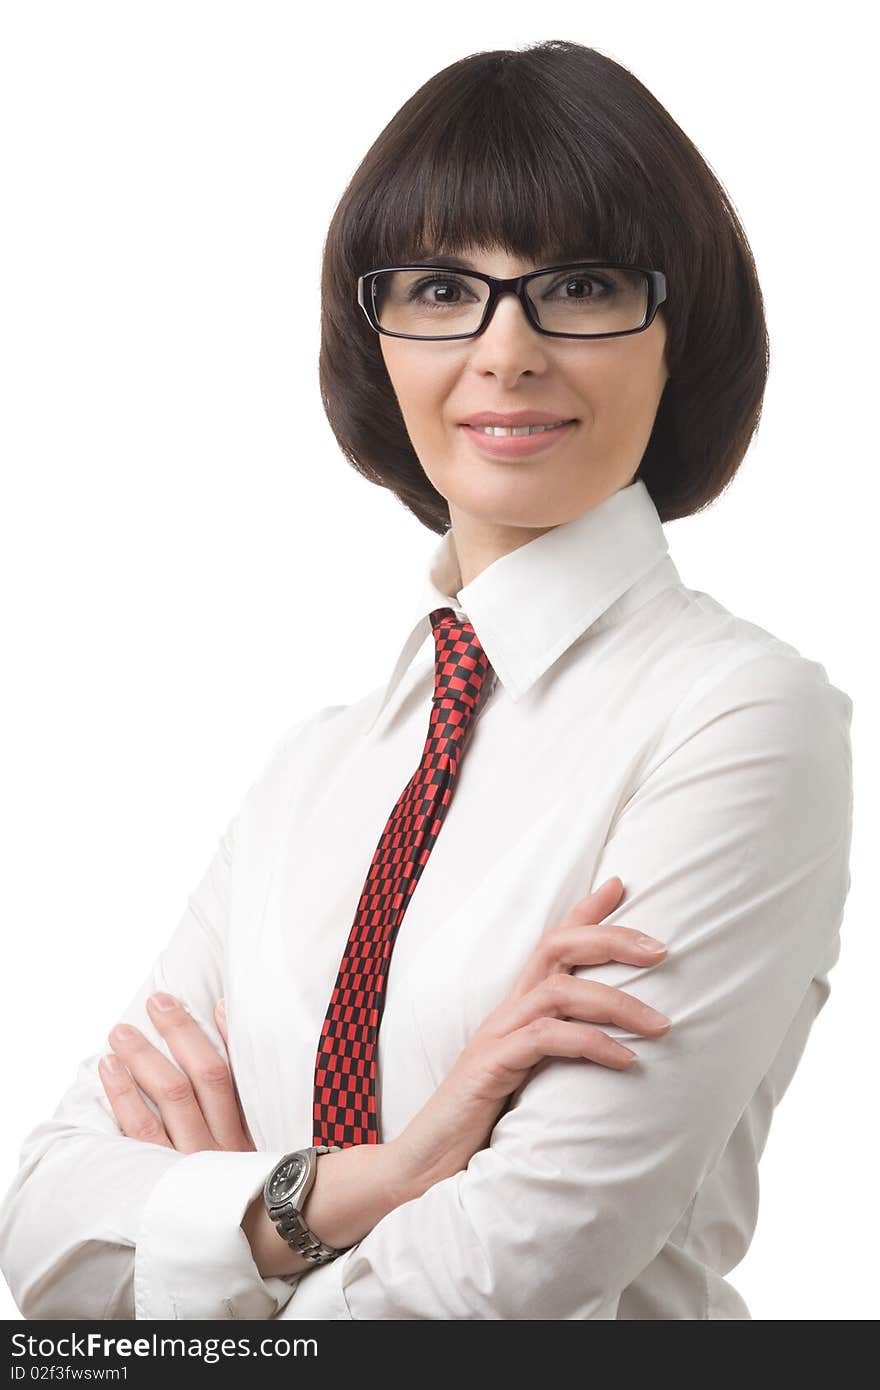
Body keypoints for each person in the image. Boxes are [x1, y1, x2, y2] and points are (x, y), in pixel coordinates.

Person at [0, 39, 853, 1322]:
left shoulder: (738, 719)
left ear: (683, 333)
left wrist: (214, 1260)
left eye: (578, 284)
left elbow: (529, 1254)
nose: (505, 353)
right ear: (377, 336)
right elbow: (45, 1228)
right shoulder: (314, 770)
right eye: (442, 289)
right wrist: (365, 1184)